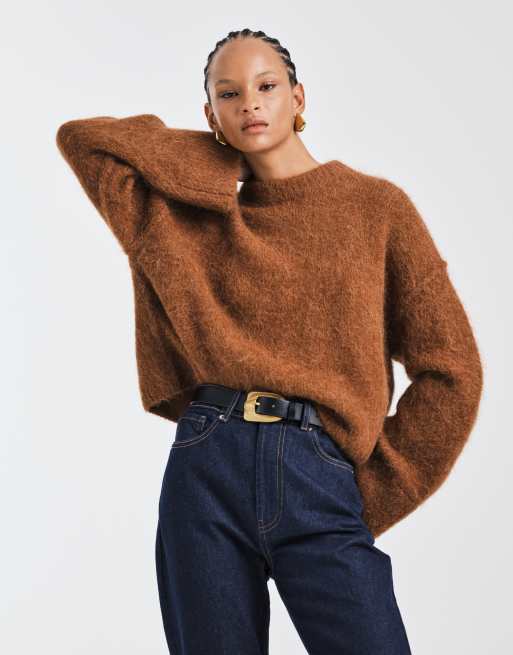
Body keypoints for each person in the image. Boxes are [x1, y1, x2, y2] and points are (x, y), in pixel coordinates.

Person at [56, 28, 483, 655]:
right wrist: (218, 157)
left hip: (320, 472)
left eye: (266, 86)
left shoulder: (376, 209)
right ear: (210, 114)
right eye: (228, 94)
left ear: (298, 96)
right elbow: (85, 140)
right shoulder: (185, 218)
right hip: (208, 464)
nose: (250, 103)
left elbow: (452, 369)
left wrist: (372, 490)